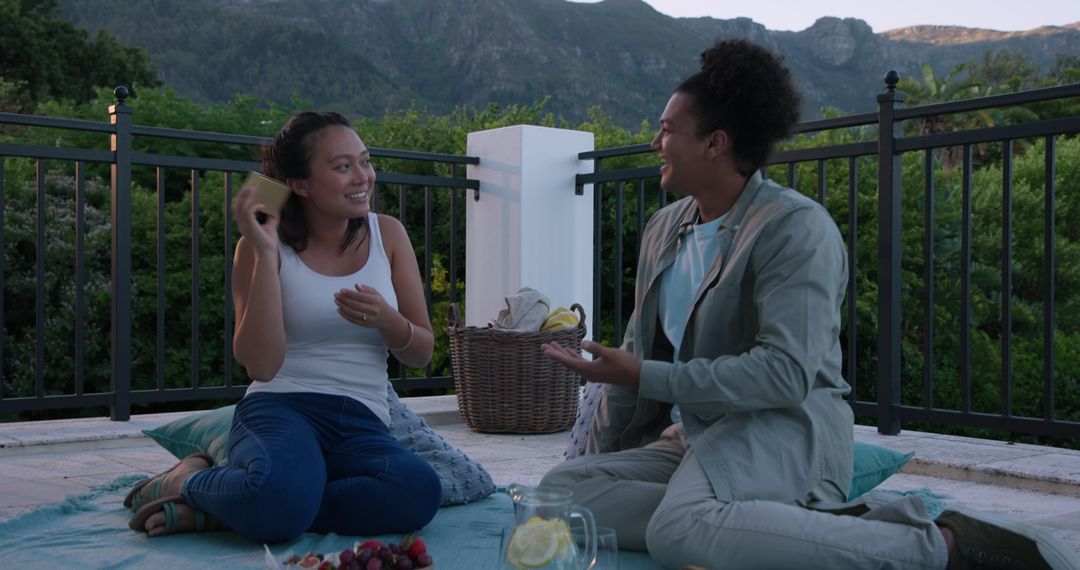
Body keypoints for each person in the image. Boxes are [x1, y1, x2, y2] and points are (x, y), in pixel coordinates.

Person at [540, 39, 1080, 569]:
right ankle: (787, 526)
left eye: (667, 130)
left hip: (782, 430)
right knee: (561, 492)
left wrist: (651, 377)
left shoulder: (794, 229)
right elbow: (634, 359)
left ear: (714, 143)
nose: (656, 143)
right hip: (697, 438)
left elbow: (784, 374)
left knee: (678, 530)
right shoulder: (665, 229)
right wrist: (606, 458)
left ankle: (940, 545)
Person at [124, 111, 441, 542]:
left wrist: (389, 320)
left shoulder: (388, 234)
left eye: (364, 161)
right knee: (280, 500)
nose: (362, 177)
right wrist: (265, 252)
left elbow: (421, 354)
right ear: (299, 184)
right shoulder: (258, 246)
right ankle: (186, 481)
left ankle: (231, 507)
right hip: (281, 408)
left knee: (417, 491)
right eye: (342, 166)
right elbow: (262, 366)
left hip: (361, 416)